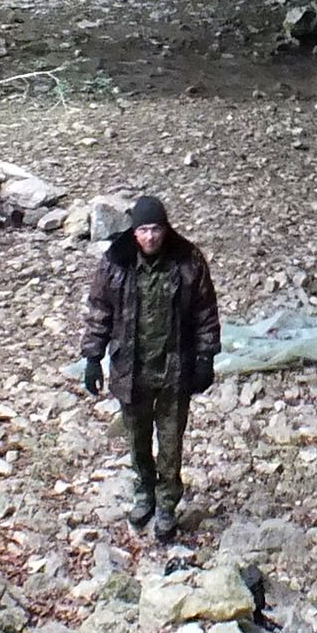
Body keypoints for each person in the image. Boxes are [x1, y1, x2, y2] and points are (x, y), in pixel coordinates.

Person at [79, 195, 220, 542]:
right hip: (132, 370)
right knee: (137, 440)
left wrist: (206, 358)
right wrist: (92, 357)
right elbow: (100, 310)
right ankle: (144, 493)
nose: (151, 237)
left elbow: (205, 312)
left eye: (156, 229)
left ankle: (167, 504)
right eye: (143, 230)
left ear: (165, 229)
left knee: (171, 444)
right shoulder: (116, 262)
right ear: (134, 232)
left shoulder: (188, 261)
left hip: (175, 371)